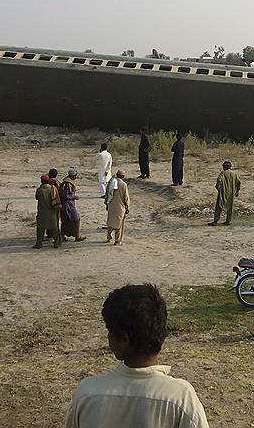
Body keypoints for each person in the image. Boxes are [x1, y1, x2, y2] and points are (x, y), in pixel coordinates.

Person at [64, 284, 209, 428]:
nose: (108, 336)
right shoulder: (179, 397)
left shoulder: (87, 393)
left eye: (110, 331)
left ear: (124, 339)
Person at [209, 161, 241, 226]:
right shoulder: (234, 174)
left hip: (223, 192)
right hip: (231, 193)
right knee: (230, 207)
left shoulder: (222, 173)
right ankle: (228, 221)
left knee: (219, 206)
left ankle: (215, 221)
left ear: (223, 167)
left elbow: (219, 181)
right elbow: (239, 182)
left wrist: (218, 189)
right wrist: (237, 191)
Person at [35, 174, 62, 249]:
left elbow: (36, 198)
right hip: (51, 212)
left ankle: (39, 244)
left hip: (42, 212)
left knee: (40, 229)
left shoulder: (39, 190)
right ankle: (56, 243)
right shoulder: (52, 189)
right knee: (55, 228)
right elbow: (57, 199)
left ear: (41, 181)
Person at [60, 169, 86, 242]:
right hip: (68, 205)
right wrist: (74, 197)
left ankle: (62, 236)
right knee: (76, 219)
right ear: (73, 176)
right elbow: (65, 196)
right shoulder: (68, 184)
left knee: (65, 220)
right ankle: (77, 237)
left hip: (67, 204)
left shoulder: (66, 182)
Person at [106, 171, 130, 245]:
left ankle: (109, 238)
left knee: (110, 223)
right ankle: (117, 240)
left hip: (111, 206)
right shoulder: (123, 185)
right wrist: (127, 206)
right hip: (120, 207)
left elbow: (107, 194)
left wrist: (106, 205)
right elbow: (126, 197)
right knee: (119, 225)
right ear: (123, 176)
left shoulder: (111, 182)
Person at [46, 168, 62, 239]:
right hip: (56, 203)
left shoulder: (48, 182)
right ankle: (56, 235)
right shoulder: (57, 182)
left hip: (49, 203)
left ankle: (50, 234)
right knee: (56, 219)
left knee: (49, 219)